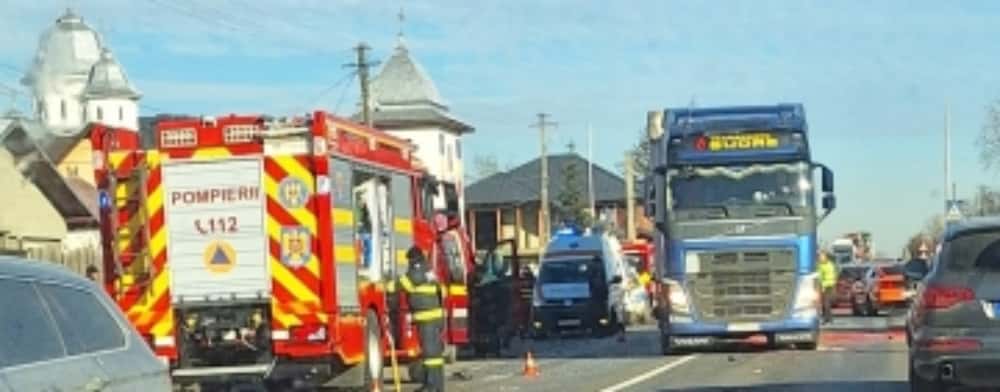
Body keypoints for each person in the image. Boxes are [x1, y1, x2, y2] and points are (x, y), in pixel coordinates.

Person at [399, 246, 445, 392]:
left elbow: (404, 284)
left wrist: (386, 285)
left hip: (427, 319)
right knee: (434, 355)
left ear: (413, 259)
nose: (408, 263)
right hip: (434, 318)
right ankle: (437, 385)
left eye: (409, 260)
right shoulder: (428, 270)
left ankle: (431, 386)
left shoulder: (418, 270)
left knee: (430, 354)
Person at [817, 249, 838, 324]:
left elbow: (832, 276)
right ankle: (828, 318)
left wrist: (823, 285)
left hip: (829, 287)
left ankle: (827, 319)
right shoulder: (820, 265)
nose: (820, 258)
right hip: (823, 286)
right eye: (820, 256)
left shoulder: (830, 265)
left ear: (826, 257)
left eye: (822, 256)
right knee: (824, 304)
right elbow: (819, 276)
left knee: (826, 303)